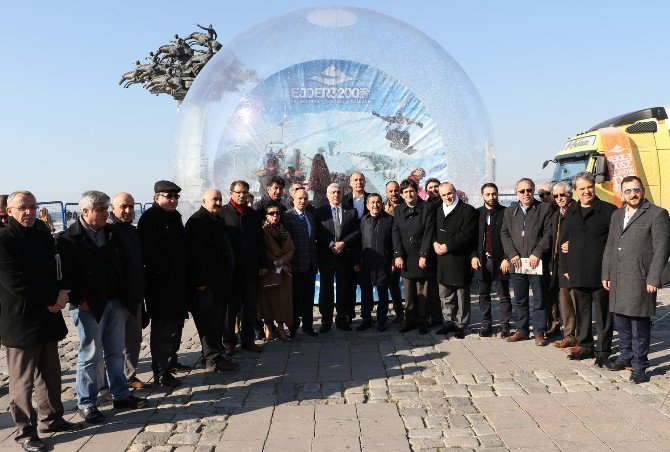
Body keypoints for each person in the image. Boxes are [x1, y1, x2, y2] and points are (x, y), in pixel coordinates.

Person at [0, 191, 83, 452]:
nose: (29, 212)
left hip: (47, 317)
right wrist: (53, 297)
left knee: (50, 375)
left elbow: (55, 271)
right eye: (23, 208)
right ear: (10, 211)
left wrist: (60, 296)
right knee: (22, 383)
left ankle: (52, 419)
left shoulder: (43, 235)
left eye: (33, 207)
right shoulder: (3, 241)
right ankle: (25, 433)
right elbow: (16, 282)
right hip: (21, 320)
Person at [58, 190, 148, 425]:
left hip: (116, 301)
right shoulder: (69, 238)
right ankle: (87, 403)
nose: (105, 214)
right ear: (85, 211)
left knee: (116, 351)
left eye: (106, 209)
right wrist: (78, 299)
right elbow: (65, 276)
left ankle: (120, 394)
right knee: (90, 354)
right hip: (89, 306)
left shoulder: (111, 233)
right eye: (101, 209)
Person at [602, 176, 670, 382]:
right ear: (622, 194)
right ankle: (626, 357)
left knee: (638, 323)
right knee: (621, 321)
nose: (633, 194)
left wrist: (654, 277)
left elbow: (662, 249)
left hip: (641, 278)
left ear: (642, 190)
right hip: (618, 276)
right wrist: (606, 273)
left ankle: (640, 365)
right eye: (628, 191)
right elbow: (611, 246)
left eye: (636, 189)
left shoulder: (657, 214)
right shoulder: (617, 214)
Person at [559, 172, 617, 366]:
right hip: (577, 271)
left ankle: (603, 349)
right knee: (582, 314)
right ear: (575, 191)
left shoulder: (609, 211)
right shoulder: (571, 211)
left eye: (589, 187)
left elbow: (615, 244)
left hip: (601, 274)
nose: (586, 191)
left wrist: (609, 272)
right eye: (582, 188)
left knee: (603, 315)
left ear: (594, 187)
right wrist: (565, 267)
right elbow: (564, 241)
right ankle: (585, 347)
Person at [137, 181, 190, 388]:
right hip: (161, 287)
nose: (173, 200)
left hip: (178, 284)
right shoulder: (150, 219)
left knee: (176, 327)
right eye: (169, 196)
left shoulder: (175, 217)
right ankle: (160, 372)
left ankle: (170, 363)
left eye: (176, 197)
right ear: (156, 197)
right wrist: (162, 275)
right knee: (162, 331)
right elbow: (150, 254)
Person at [185, 189, 238, 371]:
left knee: (216, 322)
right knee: (208, 322)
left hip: (220, 283)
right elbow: (195, 255)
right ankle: (213, 359)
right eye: (214, 199)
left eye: (220, 199)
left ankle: (210, 354)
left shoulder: (216, 219)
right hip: (206, 285)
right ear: (203, 200)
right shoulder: (198, 221)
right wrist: (200, 282)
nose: (218, 202)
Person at [501, 178, 553, 346]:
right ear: (517, 193)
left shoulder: (545, 209)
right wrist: (511, 254)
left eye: (529, 190)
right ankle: (522, 330)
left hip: (535, 262)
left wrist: (537, 252)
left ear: (534, 191)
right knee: (520, 299)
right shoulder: (510, 212)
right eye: (522, 191)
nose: (526, 194)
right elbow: (505, 234)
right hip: (517, 263)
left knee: (539, 299)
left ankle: (539, 332)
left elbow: (548, 233)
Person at [109, 193, 151, 389]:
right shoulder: (108, 230)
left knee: (133, 339)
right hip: (117, 298)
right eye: (123, 206)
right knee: (114, 344)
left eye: (131, 207)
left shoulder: (132, 231)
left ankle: (129, 375)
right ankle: (113, 382)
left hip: (134, 296)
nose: (128, 211)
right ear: (113, 208)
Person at [219, 180, 266, 353]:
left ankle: (248, 340)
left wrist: (263, 264)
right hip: (231, 270)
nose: (241, 195)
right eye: (238, 192)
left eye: (244, 192)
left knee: (250, 306)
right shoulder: (223, 213)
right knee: (230, 308)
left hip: (250, 269)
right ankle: (229, 341)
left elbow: (260, 242)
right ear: (231, 193)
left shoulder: (253, 215)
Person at [392, 178, 437, 334]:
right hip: (406, 257)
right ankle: (409, 320)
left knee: (423, 291)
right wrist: (397, 254)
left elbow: (429, 233)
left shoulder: (427, 207)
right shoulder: (398, 210)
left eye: (411, 191)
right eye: (405, 192)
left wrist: (424, 255)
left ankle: (423, 321)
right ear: (402, 194)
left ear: (417, 191)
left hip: (421, 255)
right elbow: (395, 232)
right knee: (409, 292)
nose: (408, 194)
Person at [433, 182, 477, 338]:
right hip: (442, 259)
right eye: (443, 195)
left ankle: (461, 325)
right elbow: (433, 231)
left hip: (460, 259)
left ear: (455, 192)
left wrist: (448, 245)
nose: (447, 197)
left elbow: (467, 234)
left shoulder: (468, 210)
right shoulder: (438, 210)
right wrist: (435, 243)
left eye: (449, 193)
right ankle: (448, 322)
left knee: (461, 295)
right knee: (445, 294)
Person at [315, 183, 361, 332]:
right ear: (327, 195)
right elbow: (318, 232)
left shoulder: (351, 212)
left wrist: (343, 243)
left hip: (344, 256)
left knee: (344, 289)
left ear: (342, 194)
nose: (336, 195)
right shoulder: (320, 212)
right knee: (326, 290)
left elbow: (356, 232)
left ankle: (342, 319)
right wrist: (330, 244)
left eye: (338, 192)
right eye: (333, 192)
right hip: (327, 257)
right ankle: (326, 321)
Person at [472, 183, 512, 337]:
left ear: (497, 194)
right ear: (482, 195)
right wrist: (474, 256)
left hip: (501, 261)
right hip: (482, 260)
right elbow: (472, 239)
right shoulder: (477, 214)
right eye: (488, 194)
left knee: (504, 295)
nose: (491, 197)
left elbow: (510, 237)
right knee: (483, 294)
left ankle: (505, 325)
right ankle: (486, 323)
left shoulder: (505, 212)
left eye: (494, 194)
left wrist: (507, 258)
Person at [283, 187, 319, 338]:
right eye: (300, 198)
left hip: (310, 265)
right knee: (295, 299)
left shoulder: (310, 216)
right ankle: (293, 328)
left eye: (305, 198)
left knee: (309, 298)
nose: (303, 201)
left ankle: (308, 326)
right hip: (295, 266)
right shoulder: (287, 216)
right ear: (293, 199)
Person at [258, 202, 295, 341]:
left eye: (278, 213)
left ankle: (281, 329)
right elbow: (263, 251)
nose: (275, 216)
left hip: (284, 273)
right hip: (268, 272)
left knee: (282, 302)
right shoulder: (262, 231)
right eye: (272, 213)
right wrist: (277, 262)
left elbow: (291, 249)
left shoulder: (284, 230)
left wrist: (283, 262)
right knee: (267, 302)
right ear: (266, 215)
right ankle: (269, 329)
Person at [358, 193, 395, 332]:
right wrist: (357, 262)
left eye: (378, 202)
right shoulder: (362, 221)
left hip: (383, 264)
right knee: (366, 293)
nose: (375, 205)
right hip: (366, 264)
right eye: (372, 202)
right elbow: (358, 243)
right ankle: (366, 319)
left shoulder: (389, 220)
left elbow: (394, 243)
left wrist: (392, 262)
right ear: (367, 205)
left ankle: (382, 320)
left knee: (383, 293)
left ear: (382, 204)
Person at [549, 183, 577, 349]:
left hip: (575, 263)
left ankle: (581, 337)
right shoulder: (556, 214)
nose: (559, 198)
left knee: (578, 302)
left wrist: (573, 244)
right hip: (560, 264)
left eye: (562, 195)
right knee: (565, 302)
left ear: (570, 195)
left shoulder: (576, 211)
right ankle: (569, 335)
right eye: (556, 196)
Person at [342, 171, 369, 323]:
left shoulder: (372, 198)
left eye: (361, 179)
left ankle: (367, 314)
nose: (358, 182)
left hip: (367, 246)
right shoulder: (344, 200)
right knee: (348, 282)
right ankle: (348, 312)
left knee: (366, 282)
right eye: (355, 180)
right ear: (350, 183)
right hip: (349, 247)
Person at [538, 182, 561, 336]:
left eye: (547, 193)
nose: (544, 197)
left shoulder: (563, 209)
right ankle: (553, 323)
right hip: (545, 259)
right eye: (540, 195)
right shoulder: (541, 211)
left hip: (561, 259)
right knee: (547, 294)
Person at [384, 181, 405, 322]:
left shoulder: (407, 205)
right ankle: (399, 312)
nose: (394, 194)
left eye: (396, 190)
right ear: (386, 192)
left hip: (408, 252)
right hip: (391, 253)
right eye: (390, 191)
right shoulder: (383, 208)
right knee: (393, 284)